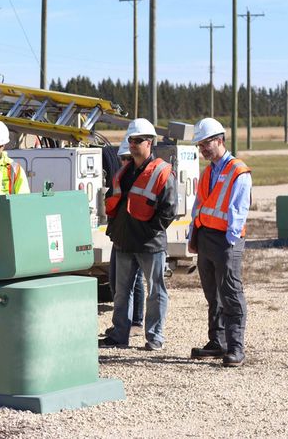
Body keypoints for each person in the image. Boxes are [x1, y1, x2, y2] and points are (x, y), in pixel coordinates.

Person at [99, 118, 177, 351]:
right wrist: (116, 229)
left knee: (156, 291)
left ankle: (155, 337)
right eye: (131, 140)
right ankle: (120, 334)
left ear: (150, 143)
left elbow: (169, 209)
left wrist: (149, 231)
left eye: (138, 140)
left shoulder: (162, 172)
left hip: (149, 244)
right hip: (124, 241)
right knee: (121, 292)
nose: (133, 144)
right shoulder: (124, 172)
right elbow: (114, 202)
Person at [187, 118, 252, 367]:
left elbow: (238, 210)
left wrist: (230, 244)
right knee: (212, 295)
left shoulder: (238, 171)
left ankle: (235, 348)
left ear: (220, 140)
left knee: (231, 294)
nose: (203, 149)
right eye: (200, 145)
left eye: (206, 143)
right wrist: (194, 236)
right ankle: (217, 342)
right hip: (205, 240)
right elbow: (199, 206)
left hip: (226, 242)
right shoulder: (208, 171)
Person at [107, 137, 145, 330]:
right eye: (122, 158)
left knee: (135, 280)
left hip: (137, 236)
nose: (125, 162)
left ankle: (136, 321)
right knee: (117, 282)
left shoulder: (140, 177)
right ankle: (123, 323)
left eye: (128, 158)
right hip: (120, 235)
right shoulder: (120, 177)